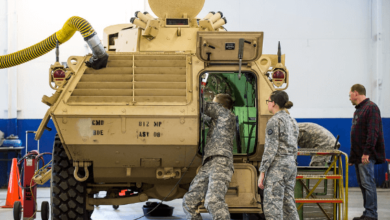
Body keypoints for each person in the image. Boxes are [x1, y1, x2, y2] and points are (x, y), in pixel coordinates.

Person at [183, 94, 236, 220]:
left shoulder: (225, 114)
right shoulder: (217, 119)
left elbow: (202, 105)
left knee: (213, 202)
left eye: (214, 103)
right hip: (209, 163)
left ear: (218, 106)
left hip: (221, 161)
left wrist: (194, 91)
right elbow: (203, 117)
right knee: (188, 202)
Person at [258, 91, 299, 220]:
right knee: (288, 206)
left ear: (274, 103)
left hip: (277, 167)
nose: (268, 104)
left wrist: (262, 172)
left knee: (273, 207)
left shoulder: (274, 121)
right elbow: (294, 147)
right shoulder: (292, 120)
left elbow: (271, 148)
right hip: (291, 165)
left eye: (268, 101)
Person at [349, 84, 385, 220]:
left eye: (350, 94)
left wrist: (366, 153)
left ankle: (371, 214)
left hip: (366, 156)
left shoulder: (371, 108)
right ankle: (367, 212)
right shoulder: (359, 110)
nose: (349, 98)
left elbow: (373, 133)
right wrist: (353, 157)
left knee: (368, 183)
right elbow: (356, 135)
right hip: (359, 156)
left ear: (356, 93)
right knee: (363, 184)